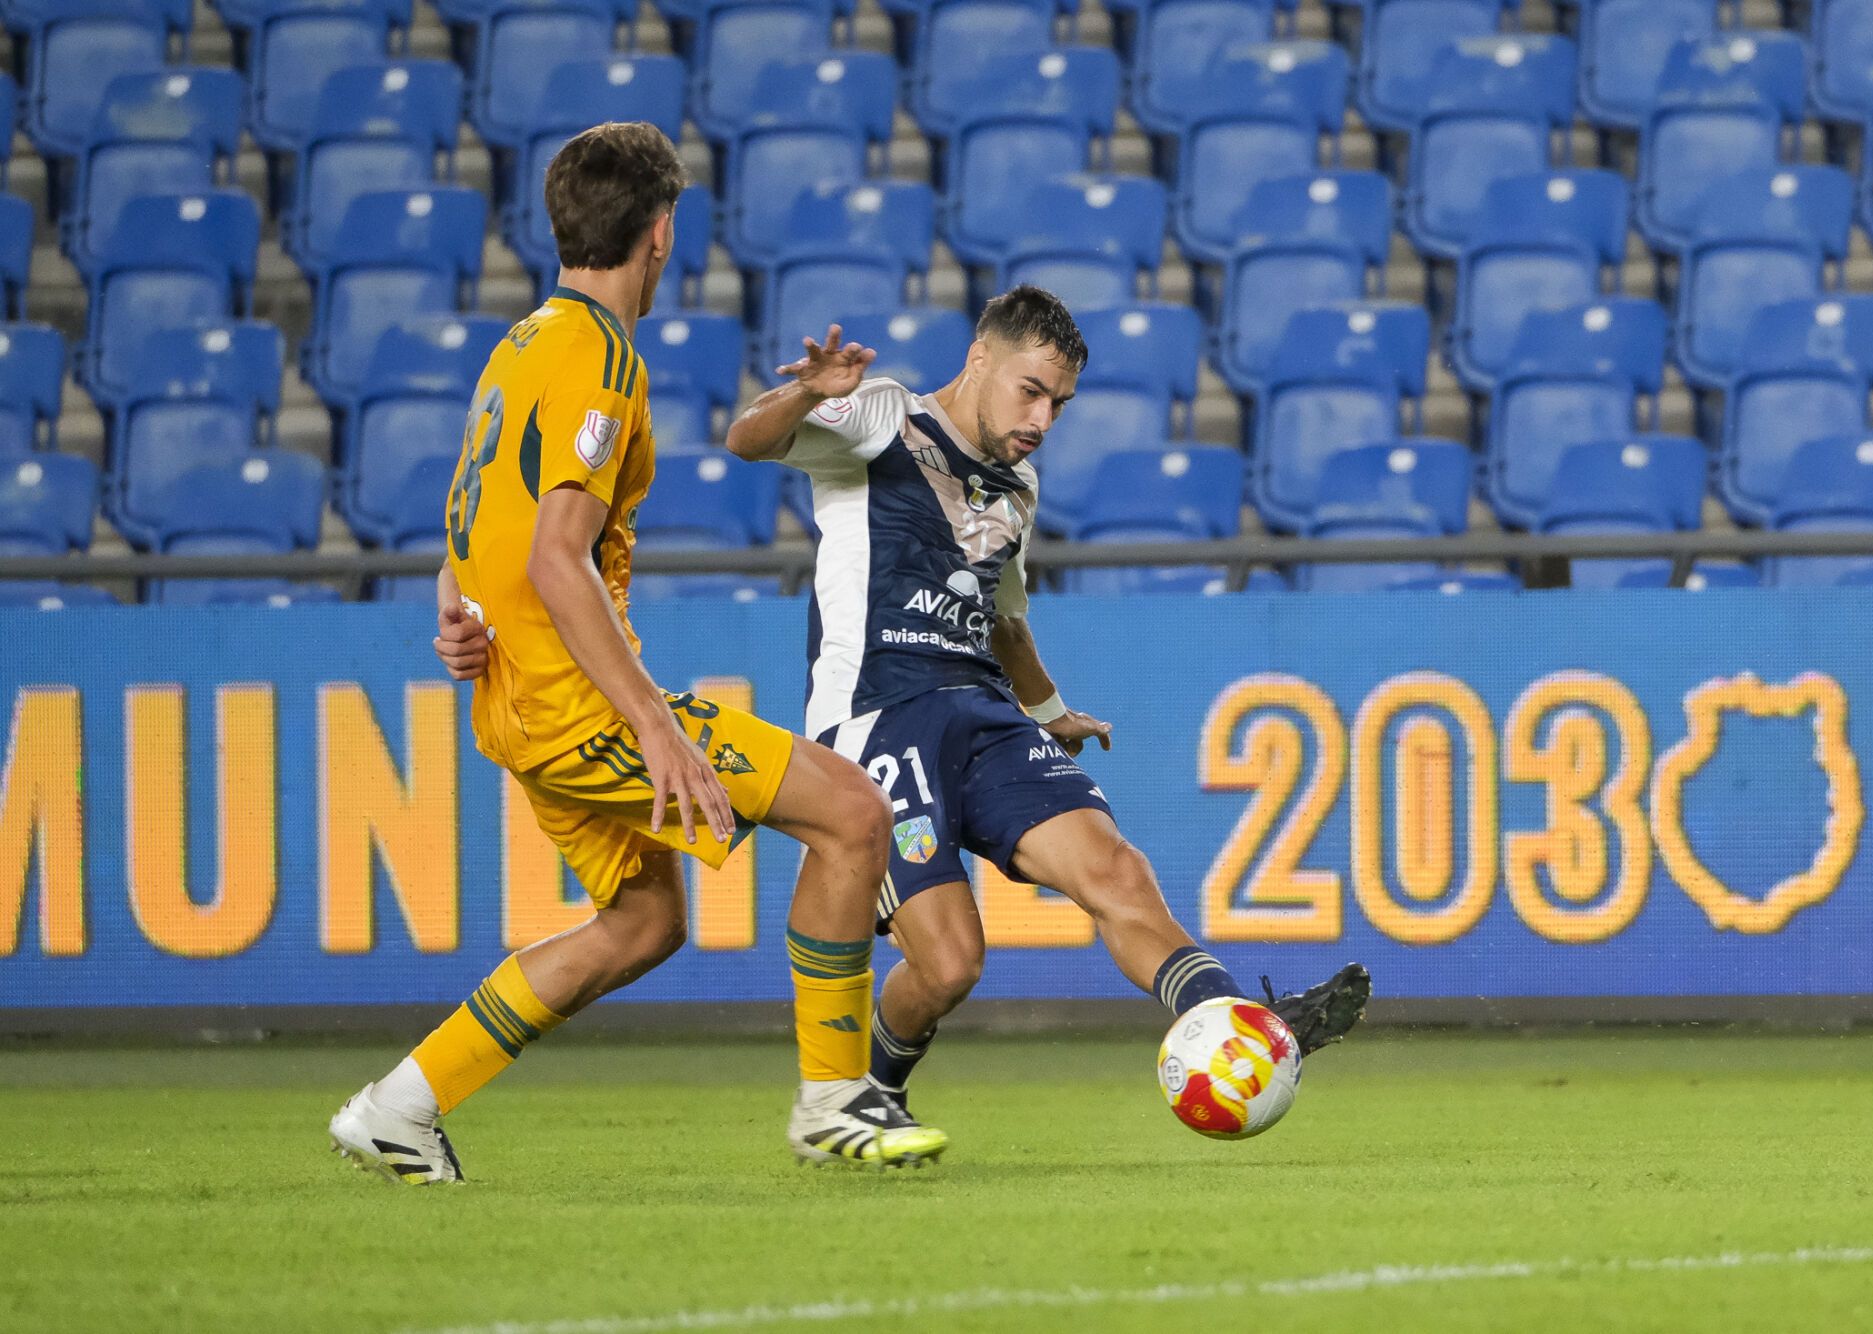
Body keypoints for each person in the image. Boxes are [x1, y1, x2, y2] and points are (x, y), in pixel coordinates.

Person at [328, 122, 948, 1183]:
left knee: (644, 921)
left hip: (520, 700)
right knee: (852, 812)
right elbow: (557, 553)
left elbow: (477, 517)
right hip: (581, 706)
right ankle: (835, 1100)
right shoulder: (603, 360)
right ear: (661, 232)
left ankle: (398, 1106)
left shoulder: (524, 344)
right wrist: (656, 725)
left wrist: (456, 610)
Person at [719, 286, 1371, 1119]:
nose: (1042, 419)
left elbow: (1003, 620)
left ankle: (1241, 1021)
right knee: (949, 965)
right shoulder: (883, 416)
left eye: (1059, 403)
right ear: (979, 359)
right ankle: (870, 1089)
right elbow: (747, 441)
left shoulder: (1017, 487)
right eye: (1031, 391)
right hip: (880, 715)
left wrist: (1051, 712)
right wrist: (808, 393)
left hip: (984, 712)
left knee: (1115, 869)